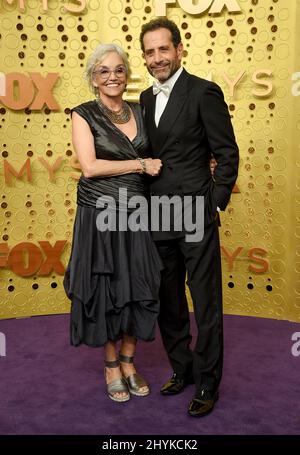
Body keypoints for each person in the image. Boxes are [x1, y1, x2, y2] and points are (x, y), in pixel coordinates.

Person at [139, 18, 239, 417]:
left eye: (164, 49)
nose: (157, 57)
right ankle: (183, 369)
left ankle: (209, 382)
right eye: (150, 51)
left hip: (195, 213)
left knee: (206, 301)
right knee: (169, 302)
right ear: (144, 57)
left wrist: (213, 201)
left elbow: (227, 153)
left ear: (180, 50)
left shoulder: (203, 91)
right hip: (158, 215)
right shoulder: (144, 99)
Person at [64, 43, 163, 403]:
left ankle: (129, 361)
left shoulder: (141, 109)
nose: (112, 76)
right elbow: (89, 167)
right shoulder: (83, 114)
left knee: (139, 284)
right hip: (100, 214)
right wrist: (139, 165)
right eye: (104, 70)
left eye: (119, 69)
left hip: (137, 212)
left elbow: (165, 153)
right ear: (93, 77)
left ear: (127, 74)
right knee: (105, 289)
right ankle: (110, 366)